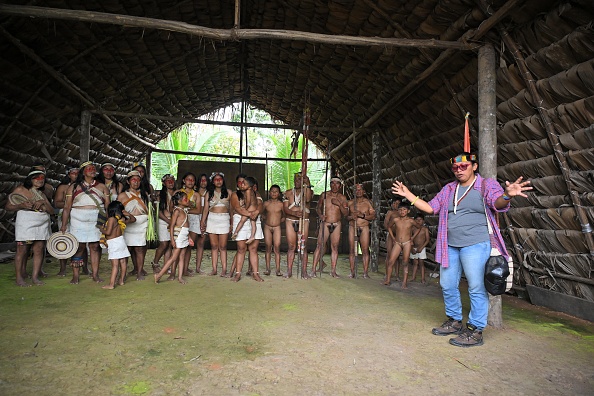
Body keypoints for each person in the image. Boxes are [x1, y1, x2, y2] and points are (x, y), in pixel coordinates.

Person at [392, 152, 532, 347]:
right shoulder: (449, 189)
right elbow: (432, 208)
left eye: (464, 166)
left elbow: (497, 203)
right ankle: (454, 321)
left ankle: (475, 330)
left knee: (476, 287)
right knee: (447, 284)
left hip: (476, 244)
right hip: (450, 245)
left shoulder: (486, 185)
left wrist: (508, 195)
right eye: (456, 168)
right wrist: (409, 195)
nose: (459, 170)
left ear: (474, 167)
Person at [61, 161, 110, 284]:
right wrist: (64, 224)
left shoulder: (102, 186)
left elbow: (108, 206)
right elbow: (67, 207)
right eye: (89, 169)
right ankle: (76, 275)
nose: (92, 170)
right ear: (83, 172)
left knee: (95, 246)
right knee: (79, 247)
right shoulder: (73, 187)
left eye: (94, 168)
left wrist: (108, 221)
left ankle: (95, 274)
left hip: (96, 218)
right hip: (78, 219)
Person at [6, 169, 53, 286]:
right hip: (26, 223)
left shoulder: (42, 194)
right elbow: (8, 206)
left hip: (42, 223)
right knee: (22, 250)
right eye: (37, 178)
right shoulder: (20, 190)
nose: (40, 180)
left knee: (39, 249)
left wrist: (43, 202)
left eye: (42, 178)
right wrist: (21, 205)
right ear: (30, 179)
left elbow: (51, 211)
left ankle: (35, 277)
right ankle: (19, 278)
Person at [312, 176, 348, 278]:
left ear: (340, 186)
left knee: (335, 247)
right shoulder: (324, 195)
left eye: (337, 183)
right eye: (333, 183)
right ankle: (314, 270)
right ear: (330, 184)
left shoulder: (342, 198)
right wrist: (320, 215)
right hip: (325, 223)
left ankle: (333, 271)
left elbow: (345, 213)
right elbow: (318, 207)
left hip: (336, 224)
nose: (334, 185)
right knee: (319, 245)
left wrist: (339, 204)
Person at [118, 170, 150, 280]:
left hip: (141, 225)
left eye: (138, 180)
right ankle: (123, 272)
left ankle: (139, 271)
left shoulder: (145, 195)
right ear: (128, 181)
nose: (136, 182)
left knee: (140, 249)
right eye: (133, 180)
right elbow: (118, 211)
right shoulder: (122, 196)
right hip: (128, 225)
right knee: (127, 248)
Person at [229, 175, 263, 282]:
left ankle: (255, 273)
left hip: (254, 217)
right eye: (239, 182)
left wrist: (256, 212)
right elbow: (238, 208)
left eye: (244, 182)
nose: (241, 184)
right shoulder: (235, 195)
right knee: (241, 248)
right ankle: (238, 273)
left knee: (253, 248)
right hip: (242, 217)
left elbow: (261, 205)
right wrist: (250, 213)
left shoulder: (256, 194)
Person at [154, 191, 192, 284]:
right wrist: (172, 239)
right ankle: (159, 275)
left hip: (184, 235)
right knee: (174, 257)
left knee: (182, 256)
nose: (188, 200)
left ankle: (180, 277)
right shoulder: (177, 211)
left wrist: (189, 237)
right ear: (179, 201)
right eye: (185, 199)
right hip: (178, 236)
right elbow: (171, 226)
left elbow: (186, 226)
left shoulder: (184, 210)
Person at [200, 172, 232, 276]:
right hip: (212, 219)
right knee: (214, 246)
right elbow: (205, 209)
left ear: (223, 181)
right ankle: (214, 269)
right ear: (213, 182)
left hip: (224, 219)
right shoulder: (208, 193)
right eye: (216, 179)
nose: (218, 181)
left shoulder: (229, 192)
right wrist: (202, 221)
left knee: (223, 246)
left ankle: (224, 269)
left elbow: (232, 210)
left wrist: (232, 223)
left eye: (220, 179)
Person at [283, 172, 313, 278]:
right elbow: (285, 208)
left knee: (303, 247)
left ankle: (304, 271)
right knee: (291, 246)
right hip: (291, 221)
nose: (297, 182)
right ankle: (289, 271)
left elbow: (308, 199)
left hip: (303, 221)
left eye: (300, 180)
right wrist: (294, 213)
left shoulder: (308, 192)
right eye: (296, 180)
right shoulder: (287, 193)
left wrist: (308, 184)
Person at [101, 201, 136, 290]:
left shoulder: (111, 219)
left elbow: (108, 232)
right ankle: (121, 280)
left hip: (113, 242)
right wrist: (128, 214)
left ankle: (111, 284)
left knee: (115, 265)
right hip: (121, 241)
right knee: (123, 262)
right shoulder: (122, 219)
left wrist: (101, 229)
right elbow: (133, 220)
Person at [384, 202, 418, 288]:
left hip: (407, 243)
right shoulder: (396, 220)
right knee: (391, 261)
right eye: (400, 210)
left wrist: (412, 238)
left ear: (408, 211)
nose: (402, 211)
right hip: (398, 243)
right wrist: (393, 238)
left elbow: (419, 228)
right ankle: (387, 280)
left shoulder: (411, 221)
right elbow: (389, 227)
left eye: (404, 210)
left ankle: (404, 283)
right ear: (398, 211)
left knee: (405, 262)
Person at [54, 167, 80, 276]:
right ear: (69, 175)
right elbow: (57, 203)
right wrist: (69, 205)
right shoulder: (63, 187)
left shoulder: (84, 187)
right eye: (73, 173)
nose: (76, 175)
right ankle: (63, 268)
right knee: (63, 240)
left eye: (78, 173)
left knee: (80, 242)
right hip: (65, 215)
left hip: (79, 216)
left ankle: (84, 268)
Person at [347, 184, 376, 278]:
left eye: (360, 190)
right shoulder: (350, 203)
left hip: (364, 227)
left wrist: (362, 216)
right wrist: (352, 216)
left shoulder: (368, 203)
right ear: (353, 192)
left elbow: (373, 216)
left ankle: (365, 273)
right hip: (353, 227)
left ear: (363, 191)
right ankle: (352, 272)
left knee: (365, 250)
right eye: (356, 190)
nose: (358, 191)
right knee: (352, 250)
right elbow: (346, 217)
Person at [151, 174, 176, 273]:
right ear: (163, 183)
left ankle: (166, 266)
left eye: (172, 181)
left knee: (169, 244)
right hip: (163, 221)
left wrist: (173, 222)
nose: (170, 182)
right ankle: (155, 262)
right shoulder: (159, 194)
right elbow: (158, 212)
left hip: (174, 221)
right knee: (164, 243)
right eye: (168, 181)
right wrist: (168, 221)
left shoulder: (177, 193)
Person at [262, 185, 284, 276]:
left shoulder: (281, 204)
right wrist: (264, 218)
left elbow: (285, 215)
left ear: (279, 193)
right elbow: (261, 213)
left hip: (277, 227)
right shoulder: (266, 203)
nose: (274, 193)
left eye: (276, 191)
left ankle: (278, 269)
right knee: (268, 247)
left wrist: (279, 221)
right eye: (272, 191)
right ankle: (268, 269)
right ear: (269, 192)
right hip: (267, 226)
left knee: (277, 247)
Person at [180, 172, 199, 276]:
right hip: (181, 221)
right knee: (180, 246)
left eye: (192, 180)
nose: (190, 182)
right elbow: (174, 208)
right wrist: (186, 210)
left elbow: (198, 210)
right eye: (188, 179)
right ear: (184, 180)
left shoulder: (196, 195)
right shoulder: (178, 193)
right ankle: (176, 270)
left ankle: (185, 269)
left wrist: (185, 210)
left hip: (193, 221)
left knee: (189, 246)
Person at [194, 173, 209, 274]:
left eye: (205, 180)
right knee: (189, 243)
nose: (203, 182)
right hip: (194, 218)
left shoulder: (209, 193)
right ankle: (185, 266)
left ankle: (198, 267)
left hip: (206, 219)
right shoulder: (194, 193)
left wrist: (204, 221)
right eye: (201, 180)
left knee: (201, 243)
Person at [383, 197, 401, 281]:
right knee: (389, 254)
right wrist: (391, 232)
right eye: (394, 203)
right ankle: (387, 274)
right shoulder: (390, 212)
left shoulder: (402, 213)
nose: (395, 205)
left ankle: (397, 275)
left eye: (397, 204)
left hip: (399, 236)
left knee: (397, 257)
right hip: (390, 235)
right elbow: (385, 224)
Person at [410, 213, 430, 284]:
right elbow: (410, 239)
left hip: (422, 248)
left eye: (420, 220)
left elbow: (427, 240)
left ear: (423, 221)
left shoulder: (425, 229)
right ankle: (413, 277)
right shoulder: (412, 228)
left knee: (421, 263)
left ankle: (422, 279)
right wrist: (411, 248)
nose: (418, 221)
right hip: (414, 248)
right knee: (415, 263)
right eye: (417, 220)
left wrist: (422, 247)